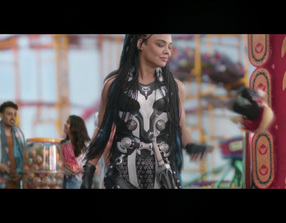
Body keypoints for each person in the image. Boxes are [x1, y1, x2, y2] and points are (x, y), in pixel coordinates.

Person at [81, 34, 213, 189]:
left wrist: (190, 145)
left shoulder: (175, 89)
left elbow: (181, 128)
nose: (167, 52)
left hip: (162, 175)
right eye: (160, 45)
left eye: (169, 47)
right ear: (140, 44)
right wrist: (88, 170)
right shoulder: (114, 86)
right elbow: (102, 131)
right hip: (122, 175)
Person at [0, 101, 25, 189]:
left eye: (15, 115)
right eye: (9, 114)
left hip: (16, 182)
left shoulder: (19, 134)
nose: (13, 117)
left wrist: (21, 173)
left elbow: (24, 156)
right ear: (1, 115)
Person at [62, 115, 90, 189]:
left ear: (75, 127)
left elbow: (95, 169)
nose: (65, 124)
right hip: (63, 180)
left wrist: (79, 170)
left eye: (68, 122)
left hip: (77, 181)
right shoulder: (64, 144)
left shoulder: (87, 145)